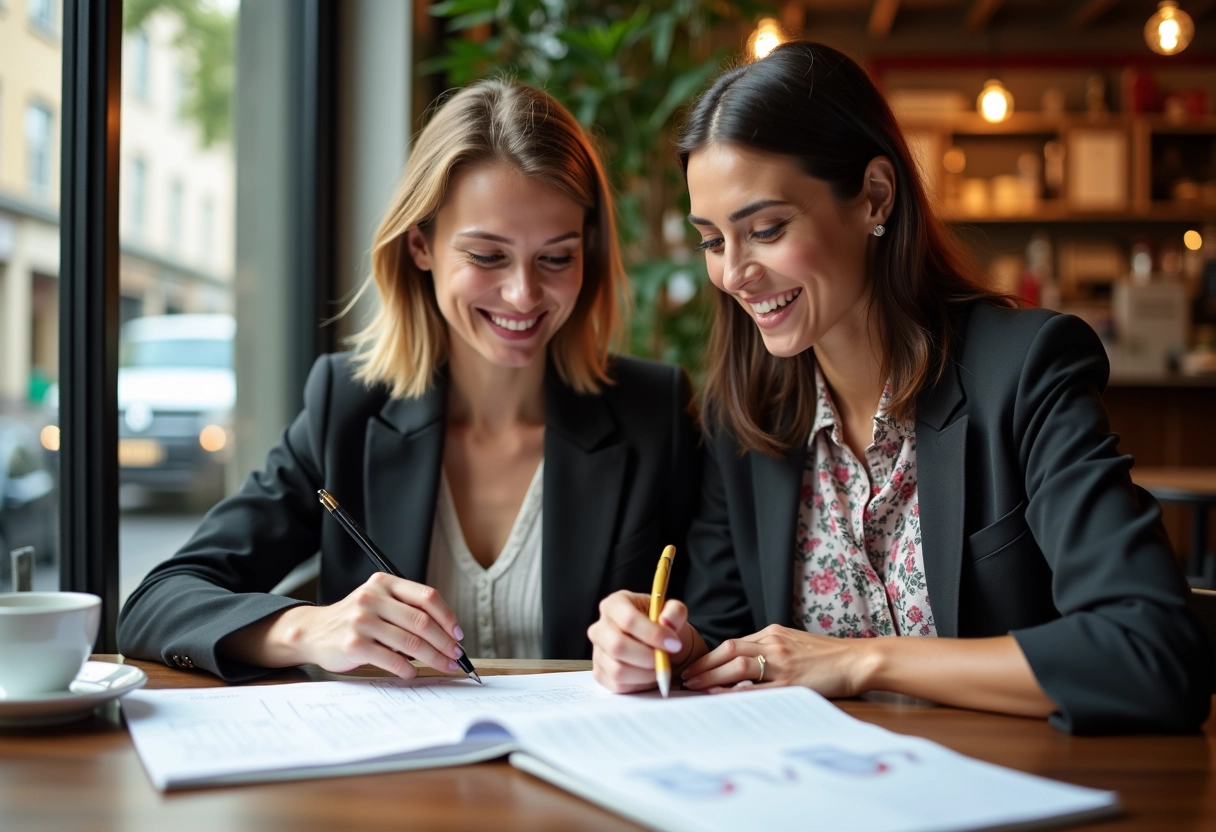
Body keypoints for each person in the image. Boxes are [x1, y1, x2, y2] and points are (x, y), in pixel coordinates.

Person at [588, 42, 1213, 734]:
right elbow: (732, 639)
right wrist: (667, 648)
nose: (734, 272)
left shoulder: (1025, 369)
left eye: (765, 230)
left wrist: (861, 661)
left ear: (874, 198)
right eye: (712, 241)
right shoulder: (744, 419)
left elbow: (1152, 652)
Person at [118, 80, 699, 682]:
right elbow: (158, 603)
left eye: (556, 258)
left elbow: (724, 625)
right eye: (487, 256)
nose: (524, 294)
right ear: (421, 244)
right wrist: (308, 628)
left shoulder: (655, 413)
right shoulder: (345, 406)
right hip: (398, 774)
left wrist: (672, 645)